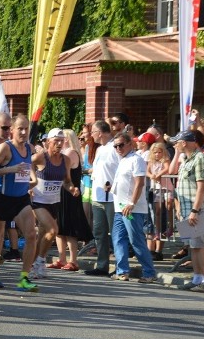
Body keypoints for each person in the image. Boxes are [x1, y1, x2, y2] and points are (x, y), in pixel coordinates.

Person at [0, 113, 39, 293]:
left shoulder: (29, 148)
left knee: (31, 235)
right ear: (12, 130)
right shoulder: (5, 148)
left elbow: (29, 166)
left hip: (21, 198)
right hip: (3, 198)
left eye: (26, 129)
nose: (23, 132)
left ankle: (24, 277)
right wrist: (10, 169)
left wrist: (34, 179)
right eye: (20, 129)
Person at [29, 129, 80, 278]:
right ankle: (40, 261)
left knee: (43, 235)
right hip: (38, 201)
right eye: (56, 141)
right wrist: (30, 182)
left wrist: (72, 189)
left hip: (54, 202)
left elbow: (67, 181)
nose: (59, 144)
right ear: (48, 142)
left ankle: (32, 265)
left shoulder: (66, 160)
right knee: (53, 230)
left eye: (61, 141)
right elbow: (27, 164)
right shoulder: (40, 157)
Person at [109, 132, 157, 282]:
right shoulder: (123, 159)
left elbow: (140, 183)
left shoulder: (136, 160)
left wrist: (131, 203)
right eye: (115, 146)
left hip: (132, 209)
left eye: (121, 145)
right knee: (118, 239)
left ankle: (149, 273)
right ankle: (122, 271)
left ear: (130, 144)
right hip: (119, 207)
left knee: (136, 240)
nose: (118, 148)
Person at [171, 130, 204, 293]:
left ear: (184, 142)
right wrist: (179, 208)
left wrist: (195, 210)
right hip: (186, 209)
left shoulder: (200, 158)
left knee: (199, 245)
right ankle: (197, 278)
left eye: (178, 141)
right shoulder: (187, 160)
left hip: (197, 209)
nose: (176, 144)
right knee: (193, 245)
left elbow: (202, 187)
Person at [52, 128, 93, 270]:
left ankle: (73, 260)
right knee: (59, 227)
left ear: (67, 139)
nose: (58, 142)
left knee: (69, 227)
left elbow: (62, 172)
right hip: (60, 192)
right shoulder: (63, 153)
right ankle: (62, 258)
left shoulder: (70, 153)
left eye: (61, 139)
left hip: (69, 193)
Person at [86, 120, 119, 276]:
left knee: (116, 233)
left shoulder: (115, 148)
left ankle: (121, 266)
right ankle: (102, 265)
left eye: (93, 131)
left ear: (100, 132)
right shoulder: (99, 149)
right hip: (98, 197)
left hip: (112, 198)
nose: (91, 135)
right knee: (99, 232)